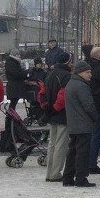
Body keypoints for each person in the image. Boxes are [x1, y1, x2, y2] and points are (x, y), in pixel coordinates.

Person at [62, 60, 98, 188]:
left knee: (72, 152)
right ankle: (81, 178)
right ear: (80, 72)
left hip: (73, 124)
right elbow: (88, 105)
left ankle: (67, 177)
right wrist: (95, 117)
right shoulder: (82, 86)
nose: (90, 75)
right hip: (83, 124)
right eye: (87, 72)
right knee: (82, 153)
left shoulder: (71, 84)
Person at [43, 51, 73, 182]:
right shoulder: (66, 76)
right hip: (61, 114)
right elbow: (63, 96)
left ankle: (49, 173)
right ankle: (56, 173)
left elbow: (42, 93)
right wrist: (55, 108)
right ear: (68, 61)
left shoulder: (50, 75)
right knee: (61, 144)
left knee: (52, 144)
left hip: (51, 113)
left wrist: (47, 108)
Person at [86, 47, 100, 175]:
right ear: (99, 56)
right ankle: (91, 164)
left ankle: (88, 162)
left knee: (90, 135)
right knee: (96, 134)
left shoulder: (86, 66)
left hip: (88, 104)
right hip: (99, 104)